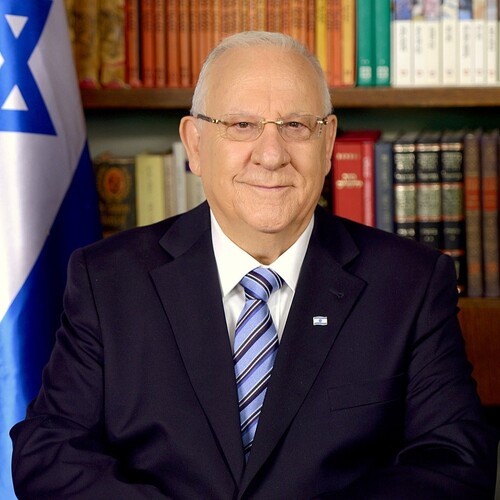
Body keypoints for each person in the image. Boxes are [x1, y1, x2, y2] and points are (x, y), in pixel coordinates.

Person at [10, 31, 498, 499]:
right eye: (241, 125)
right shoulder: (108, 280)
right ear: (195, 144)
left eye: (296, 126)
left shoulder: (410, 284)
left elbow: (455, 463)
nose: (270, 155)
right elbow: (49, 452)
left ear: (328, 143)